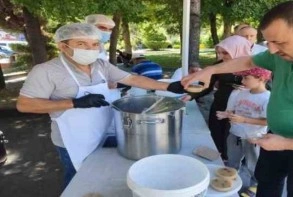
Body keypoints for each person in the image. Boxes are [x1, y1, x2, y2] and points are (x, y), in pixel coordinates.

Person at [182, 1, 293, 197]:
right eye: (269, 43)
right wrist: (211, 70)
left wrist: (287, 144)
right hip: (276, 136)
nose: (272, 51)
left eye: (280, 43)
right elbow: (250, 60)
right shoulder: (283, 53)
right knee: (266, 180)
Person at [16, 23, 184, 189]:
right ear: (63, 46)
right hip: (72, 140)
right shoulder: (46, 71)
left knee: (99, 176)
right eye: (81, 44)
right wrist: (74, 103)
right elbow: (24, 105)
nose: (90, 49)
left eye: (94, 44)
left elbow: (131, 79)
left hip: (101, 132)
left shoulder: (100, 65)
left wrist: (168, 86)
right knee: (76, 180)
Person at [188, 35, 252, 161]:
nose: (221, 56)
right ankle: (219, 161)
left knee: (234, 139)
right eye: (219, 53)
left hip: (243, 108)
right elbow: (207, 86)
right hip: (219, 104)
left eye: (225, 53)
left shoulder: (253, 66)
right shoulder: (218, 65)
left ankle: (234, 163)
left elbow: (266, 87)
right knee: (217, 134)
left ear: (237, 50)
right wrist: (191, 95)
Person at [217, 67, 271, 197]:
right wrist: (226, 114)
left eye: (246, 78)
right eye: (242, 77)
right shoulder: (242, 93)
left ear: (261, 79)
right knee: (232, 161)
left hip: (253, 138)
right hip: (235, 133)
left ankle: (255, 185)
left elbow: (267, 121)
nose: (242, 81)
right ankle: (229, 180)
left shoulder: (268, 98)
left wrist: (244, 120)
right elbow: (236, 111)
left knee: (253, 164)